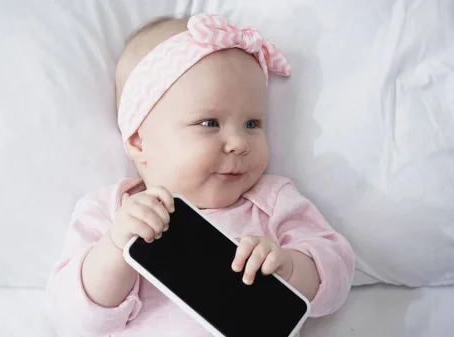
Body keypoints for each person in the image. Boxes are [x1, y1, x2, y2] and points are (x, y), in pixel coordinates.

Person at [46, 13, 355, 337]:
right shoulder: (110, 211)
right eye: (209, 123)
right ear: (138, 140)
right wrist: (115, 249)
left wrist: (291, 268)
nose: (238, 143)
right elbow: (71, 320)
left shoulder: (272, 201)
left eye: (252, 124)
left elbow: (337, 274)